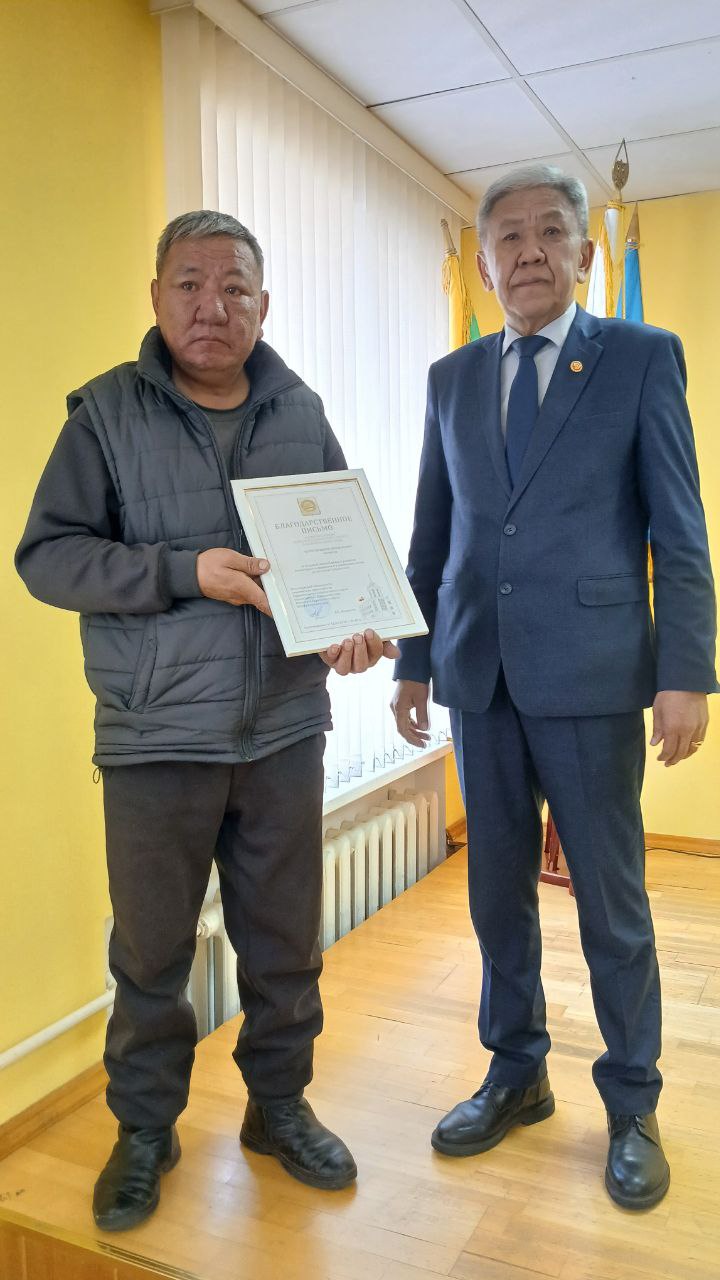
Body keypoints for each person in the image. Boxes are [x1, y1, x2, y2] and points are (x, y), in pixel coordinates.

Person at [16, 210, 398, 1231]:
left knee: (285, 944)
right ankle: (146, 1129)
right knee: (150, 955)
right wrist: (184, 571)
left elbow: (334, 553)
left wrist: (351, 631)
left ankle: (279, 1107)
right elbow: (48, 557)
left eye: (234, 288)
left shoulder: (300, 409)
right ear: (156, 297)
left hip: (284, 727)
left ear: (263, 304)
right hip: (156, 737)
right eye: (189, 284)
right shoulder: (104, 414)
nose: (211, 306)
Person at [391, 165, 717, 1211]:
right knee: (496, 894)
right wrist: (412, 658)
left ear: (582, 252)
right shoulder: (451, 377)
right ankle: (516, 1070)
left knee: (611, 903)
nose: (529, 250)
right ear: (484, 264)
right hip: (478, 676)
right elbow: (433, 533)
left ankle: (632, 1101)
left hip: (594, 675)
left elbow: (680, 531)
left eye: (550, 232)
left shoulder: (640, 356)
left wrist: (685, 673)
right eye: (509, 236)